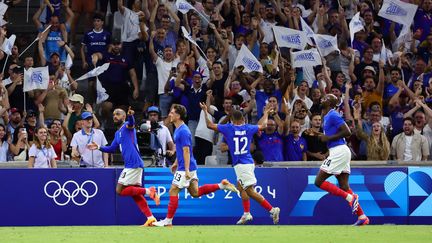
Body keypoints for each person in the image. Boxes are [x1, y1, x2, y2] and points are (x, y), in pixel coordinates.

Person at [152, 104, 238, 227]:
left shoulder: (184, 131)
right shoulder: (178, 129)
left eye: (172, 112)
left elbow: (187, 151)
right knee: (195, 192)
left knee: (173, 190)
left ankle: (168, 220)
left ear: (178, 115)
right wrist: (176, 162)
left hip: (186, 168)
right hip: (187, 166)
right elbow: (182, 150)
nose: (169, 115)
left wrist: (186, 169)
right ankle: (221, 185)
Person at [201, 103, 281, 225]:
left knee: (249, 191)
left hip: (242, 164)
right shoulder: (248, 128)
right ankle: (246, 213)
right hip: (245, 162)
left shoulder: (228, 128)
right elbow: (264, 125)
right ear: (243, 119)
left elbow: (209, 125)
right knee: (240, 187)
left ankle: (272, 209)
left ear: (232, 120)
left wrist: (205, 111)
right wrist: (265, 113)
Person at [87, 107, 160, 227]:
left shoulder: (127, 126)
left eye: (118, 114)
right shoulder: (118, 133)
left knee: (119, 190)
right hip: (133, 164)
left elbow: (131, 123)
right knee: (135, 194)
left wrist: (131, 116)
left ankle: (149, 191)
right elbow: (111, 148)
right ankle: (151, 218)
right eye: (114, 114)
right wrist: (98, 147)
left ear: (124, 117)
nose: (115, 116)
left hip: (133, 164)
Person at [314, 94, 369, 226]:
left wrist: (328, 138)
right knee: (344, 186)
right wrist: (323, 137)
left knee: (318, 181)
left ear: (331, 103)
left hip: (339, 150)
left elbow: (347, 131)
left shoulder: (333, 115)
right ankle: (362, 216)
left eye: (326, 98)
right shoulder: (327, 116)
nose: (322, 99)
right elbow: (334, 136)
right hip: (338, 150)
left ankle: (350, 198)